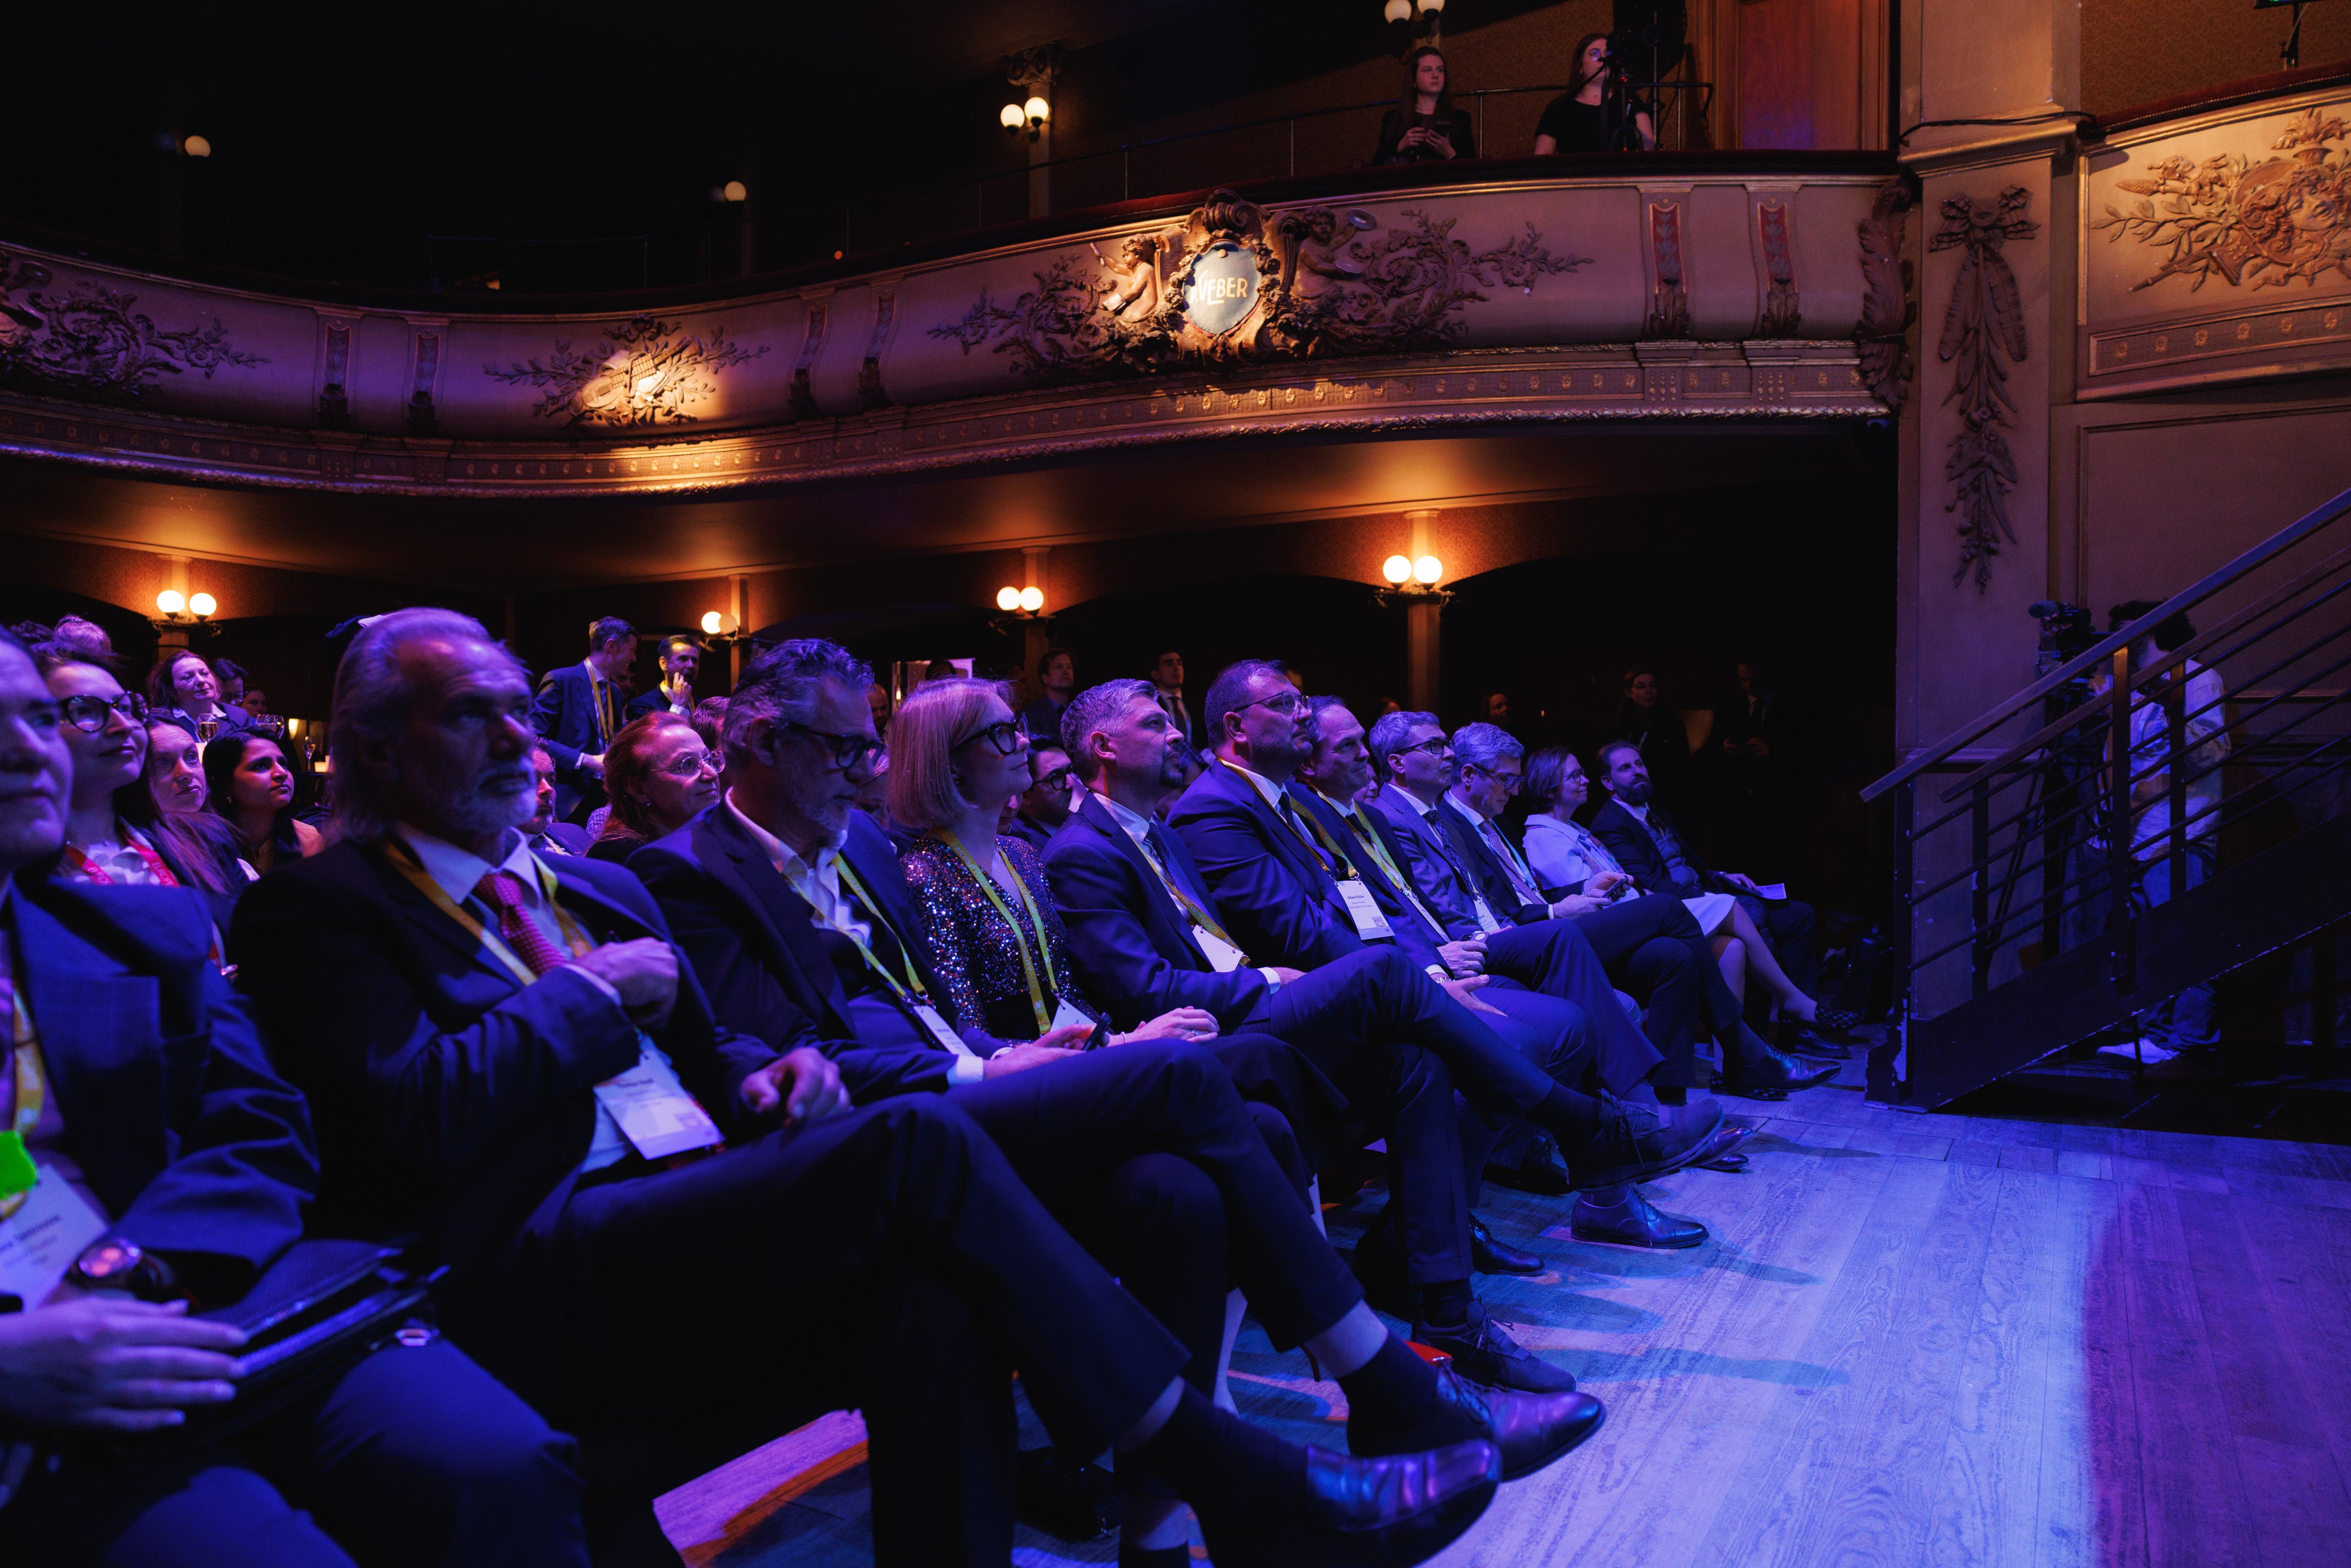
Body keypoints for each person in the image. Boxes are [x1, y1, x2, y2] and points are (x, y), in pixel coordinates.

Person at [233, 610, 1506, 1568]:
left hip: (694, 1202)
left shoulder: (593, 886)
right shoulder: (318, 908)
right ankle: (1255, 1469)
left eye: (520, 705)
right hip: (530, 1259)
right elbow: (413, 1116)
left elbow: (713, 1062)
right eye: (469, 714)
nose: (517, 737)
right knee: (917, 1142)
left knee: (933, 1293)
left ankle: (1251, 1463)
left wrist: (764, 1076)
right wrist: (582, 997)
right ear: (372, 749)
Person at [618, 639, 1552, 1565]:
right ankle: (1386, 1390)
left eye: (871, 749)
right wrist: (997, 1068)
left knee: (1185, 1187)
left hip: (959, 1085)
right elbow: (798, 1059)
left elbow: (907, 1007)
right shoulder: (686, 873)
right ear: (758, 741)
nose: (865, 774)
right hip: (879, 1143)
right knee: (1189, 1070)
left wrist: (1010, 1053)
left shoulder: (857, 837)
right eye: (842, 750)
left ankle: (1162, 1534)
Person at [0, 628, 587, 1568]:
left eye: (36, 717)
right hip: (22, 1374)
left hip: (191, 1293)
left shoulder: (137, 926)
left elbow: (260, 1124)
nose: (29, 748)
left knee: (497, 1466)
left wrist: (134, 1272)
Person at [1167, 662, 1739, 1358]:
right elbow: (1296, 931)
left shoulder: (1285, 804)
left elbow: (1363, 911)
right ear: (1236, 726)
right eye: (1288, 705)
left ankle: (1530, 1195)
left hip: (1385, 974)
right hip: (1312, 1006)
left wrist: (1430, 967)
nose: (1306, 719)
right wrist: (1426, 974)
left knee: (1579, 1004)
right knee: (1530, 1028)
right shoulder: (1215, 806)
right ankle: (1594, 1143)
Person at [1521, 745, 1848, 1033]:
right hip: (1611, 930)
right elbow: (1595, 900)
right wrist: (1645, 898)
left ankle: (1733, 1066)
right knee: (1730, 906)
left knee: (1732, 948)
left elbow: (1628, 878)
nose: (1585, 780)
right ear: (1550, 789)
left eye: (1582, 774)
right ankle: (1791, 1001)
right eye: (1575, 776)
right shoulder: (1543, 836)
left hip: (1639, 910)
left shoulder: (1573, 827)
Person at [1590, 739, 1827, 1051]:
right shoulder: (1611, 824)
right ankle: (1757, 1039)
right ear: (1607, 782)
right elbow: (1651, 883)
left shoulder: (1654, 811)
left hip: (1707, 892)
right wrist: (1709, 894)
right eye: (1626, 768)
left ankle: (1797, 1031)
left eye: (1639, 764)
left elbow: (1684, 864)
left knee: (1800, 916)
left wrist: (1720, 876)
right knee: (1751, 920)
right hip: (1681, 907)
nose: (1638, 772)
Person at [2098, 602, 2230, 1066]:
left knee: (2186, 937)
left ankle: (2191, 1042)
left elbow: (2211, 754)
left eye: (2124, 634)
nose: (2117, 644)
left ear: (2151, 633)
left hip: (2181, 832)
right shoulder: (2130, 690)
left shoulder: (2194, 678)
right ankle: (2158, 1036)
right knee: (2153, 939)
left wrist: (2170, 706)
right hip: (2141, 836)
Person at [1712, 651, 1814, 886]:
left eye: (1754, 679)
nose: (1748, 685)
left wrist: (1772, 754)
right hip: (1737, 809)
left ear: (1767, 675)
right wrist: (1724, 749)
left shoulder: (1794, 708)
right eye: (1743, 679)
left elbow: (1809, 756)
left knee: (1778, 873)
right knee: (1741, 872)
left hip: (1778, 807)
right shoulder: (1730, 708)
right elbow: (1710, 755)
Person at [531, 617, 637, 824]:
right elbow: (533, 737)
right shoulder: (561, 680)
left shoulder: (614, 691)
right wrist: (586, 760)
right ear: (611, 647)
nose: (633, 658)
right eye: (631, 650)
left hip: (606, 793)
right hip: (569, 796)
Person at [588, 712, 722, 867]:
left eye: (709, 760)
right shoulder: (621, 857)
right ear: (639, 789)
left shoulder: (711, 840)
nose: (711, 774)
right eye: (687, 764)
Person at [204, 732, 323, 877]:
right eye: (261, 766)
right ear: (225, 785)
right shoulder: (204, 844)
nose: (282, 773)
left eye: (283, 764)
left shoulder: (307, 839)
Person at [1533, 32, 1653, 153]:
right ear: (1580, 66)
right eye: (1594, 54)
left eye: (1608, 53)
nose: (1603, 59)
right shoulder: (1558, 108)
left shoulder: (1628, 99)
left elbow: (1648, 144)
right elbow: (1542, 157)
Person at [1608, 666, 1696, 825]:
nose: (1649, 691)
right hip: (1626, 798)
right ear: (1629, 692)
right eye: (1641, 686)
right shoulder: (1618, 727)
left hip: (1664, 800)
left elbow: (1683, 768)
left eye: (1652, 685)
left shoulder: (1671, 725)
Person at [1374, 46, 1475, 165]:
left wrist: (1450, 153)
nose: (1435, 75)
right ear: (1414, 81)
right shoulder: (1394, 118)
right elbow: (1376, 166)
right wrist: (1401, 146)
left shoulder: (1460, 118)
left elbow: (1472, 167)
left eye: (1440, 70)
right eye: (1427, 70)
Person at [146, 648, 243, 741]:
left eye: (205, 673)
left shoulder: (238, 716)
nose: (201, 681)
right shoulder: (158, 720)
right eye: (188, 677)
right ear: (171, 691)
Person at [1004, 737, 1077, 853]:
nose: (1071, 783)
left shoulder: (1086, 817)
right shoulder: (1019, 847)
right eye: (1056, 777)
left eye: (1071, 770)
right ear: (1025, 794)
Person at [625, 634, 702, 722]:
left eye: (695, 660)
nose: (691, 665)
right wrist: (678, 706)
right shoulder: (643, 706)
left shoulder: (703, 706)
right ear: (664, 664)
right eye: (683, 659)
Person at [1021, 646, 1077, 743]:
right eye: (1059, 667)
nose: (1066, 672)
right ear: (1045, 678)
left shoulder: (1080, 710)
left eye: (1069, 667)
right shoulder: (1032, 714)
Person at [1151, 649, 1196, 746]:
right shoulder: (1151, 704)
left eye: (1180, 664)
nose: (1176, 668)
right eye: (1169, 664)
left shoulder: (1197, 703)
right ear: (1156, 674)